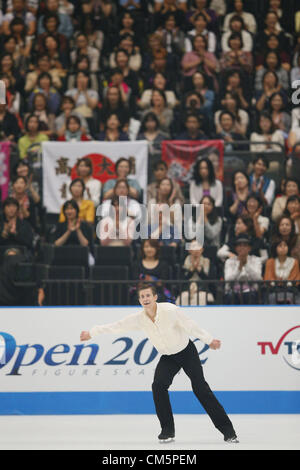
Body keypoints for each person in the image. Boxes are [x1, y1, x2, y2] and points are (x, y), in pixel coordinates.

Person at [80, 282, 239, 444]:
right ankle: (167, 430)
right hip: (168, 356)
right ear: (139, 300)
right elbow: (117, 326)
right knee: (158, 386)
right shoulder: (139, 319)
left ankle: (228, 431)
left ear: (155, 297)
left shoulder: (170, 310)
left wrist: (209, 340)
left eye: (148, 295)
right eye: (142, 296)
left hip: (186, 352)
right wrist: (92, 333)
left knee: (200, 389)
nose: (145, 298)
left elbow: (190, 326)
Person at [224, 234, 263, 304]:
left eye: (245, 245)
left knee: (250, 295)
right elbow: (228, 279)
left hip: (251, 291)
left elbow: (258, 279)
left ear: (249, 248)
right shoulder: (229, 261)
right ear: (235, 248)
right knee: (230, 296)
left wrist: (246, 265)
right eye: (239, 245)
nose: (242, 248)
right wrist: (239, 268)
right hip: (233, 291)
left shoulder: (256, 260)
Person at [264, 239, 300, 304]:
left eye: (285, 245)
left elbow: (296, 277)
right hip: (274, 289)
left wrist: (285, 283)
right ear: (275, 248)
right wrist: (276, 282)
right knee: (271, 297)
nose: (283, 248)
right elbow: (268, 277)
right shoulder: (270, 262)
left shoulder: (294, 262)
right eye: (280, 246)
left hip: (290, 289)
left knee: (293, 296)